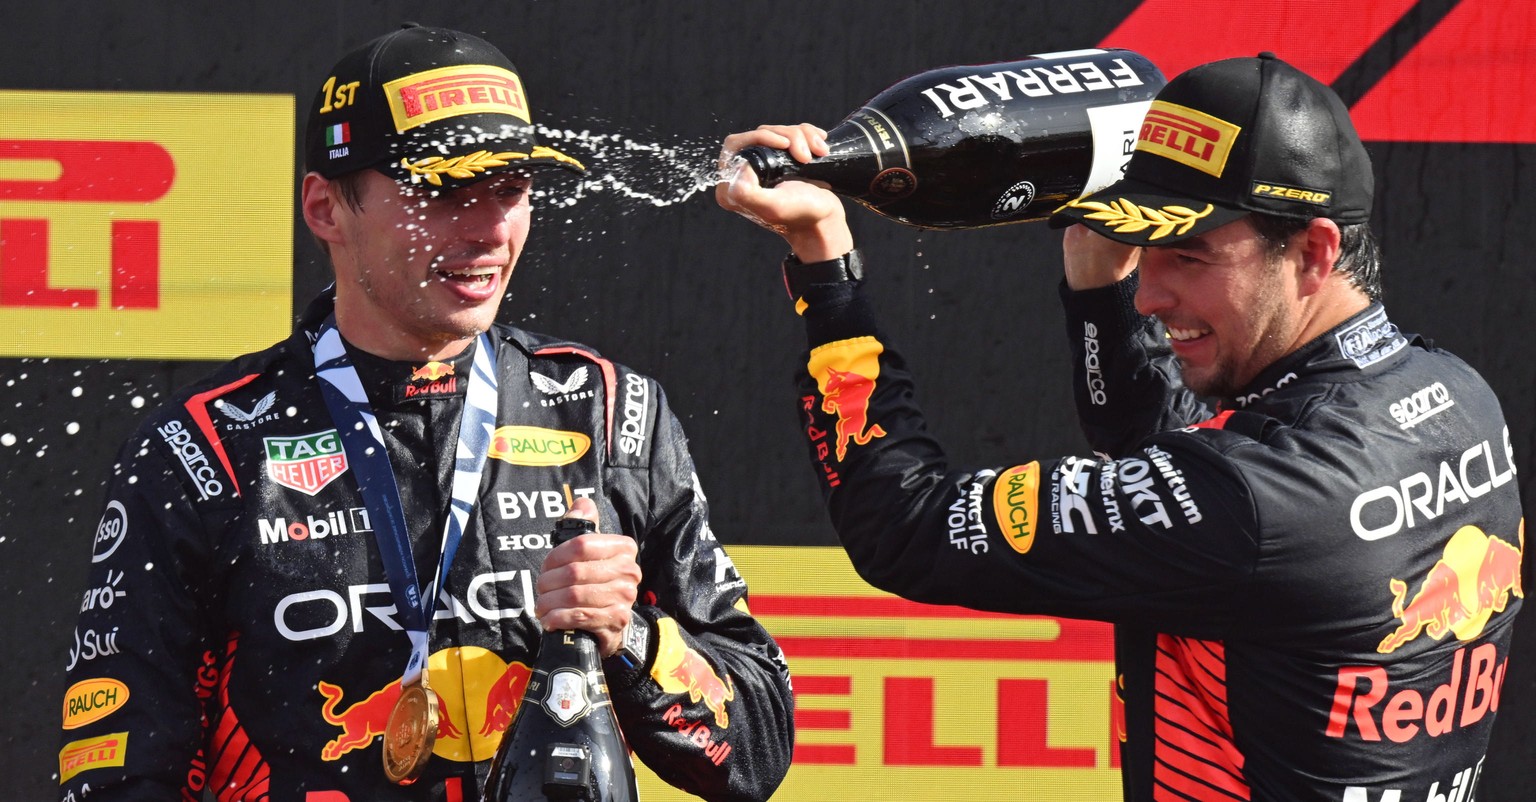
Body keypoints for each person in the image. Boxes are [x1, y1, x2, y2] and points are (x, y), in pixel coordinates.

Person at [717, 52, 1522, 801]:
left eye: (1191, 254)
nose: (1149, 292)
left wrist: (824, 264)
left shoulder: (1259, 506)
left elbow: (904, 527)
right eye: (1142, 244)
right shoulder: (1453, 393)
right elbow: (1182, 479)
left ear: (1313, 252)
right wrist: (1101, 291)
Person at [59, 24, 792, 802]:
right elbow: (117, 769)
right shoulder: (202, 448)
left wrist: (632, 642)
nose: (486, 229)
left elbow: (757, 750)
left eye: (509, 189)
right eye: (440, 192)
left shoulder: (610, 411)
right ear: (326, 208)